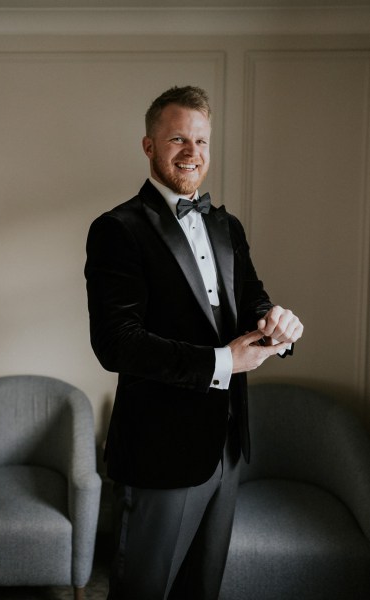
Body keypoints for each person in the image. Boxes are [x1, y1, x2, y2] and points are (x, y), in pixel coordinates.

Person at [85, 85, 303, 600]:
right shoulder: (116, 230)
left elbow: (252, 302)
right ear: (149, 145)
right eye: (178, 138)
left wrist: (278, 326)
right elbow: (117, 343)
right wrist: (224, 360)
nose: (192, 153)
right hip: (159, 449)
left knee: (200, 590)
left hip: (226, 445)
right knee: (143, 590)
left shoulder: (227, 226)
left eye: (202, 141)